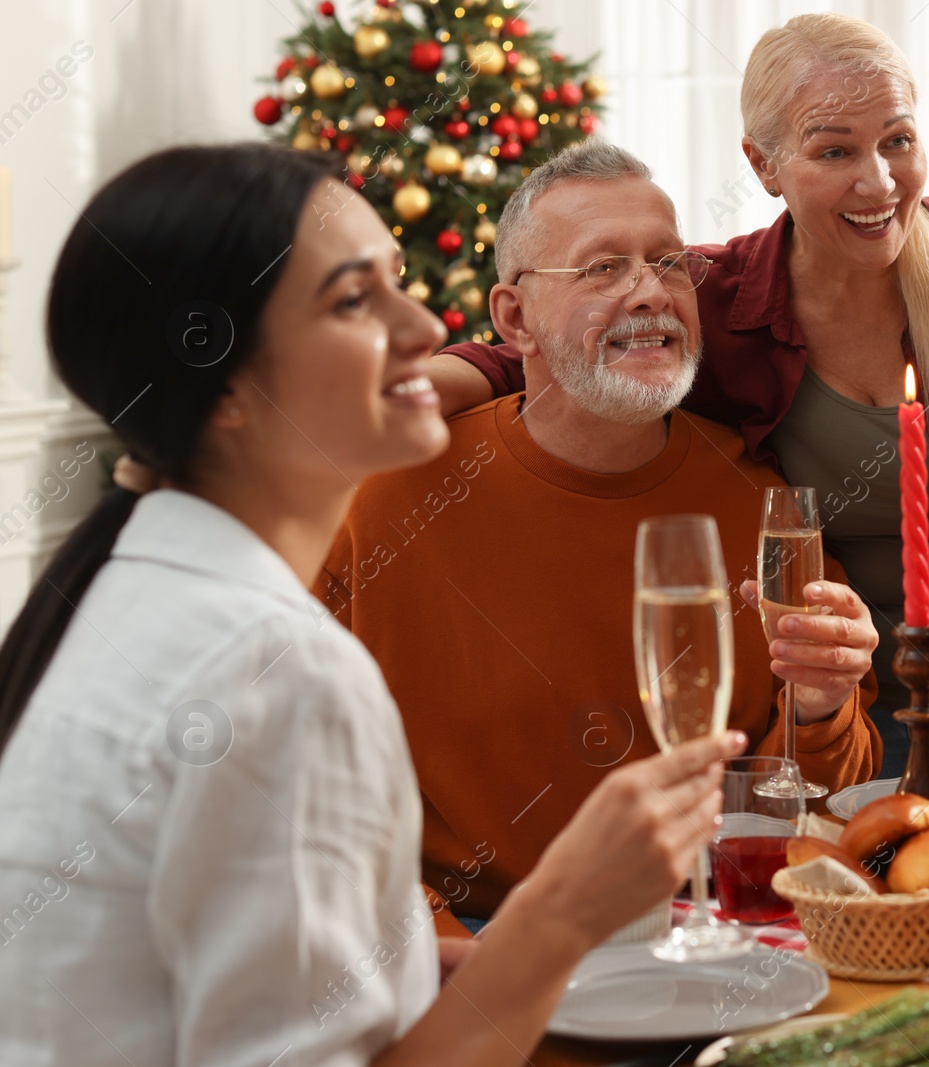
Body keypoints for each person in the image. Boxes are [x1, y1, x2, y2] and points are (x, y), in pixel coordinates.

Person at [0, 143, 740, 1066]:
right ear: (226, 384)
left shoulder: (138, 592)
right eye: (355, 300)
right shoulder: (280, 674)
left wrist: (524, 959)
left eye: (398, 282)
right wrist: (566, 908)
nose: (428, 325)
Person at [426, 13, 929, 791]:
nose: (878, 181)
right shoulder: (720, 298)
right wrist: (430, 383)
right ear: (763, 165)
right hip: (843, 705)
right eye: (834, 149)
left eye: (897, 139)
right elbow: (558, 345)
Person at [319, 140, 881, 938]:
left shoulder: (764, 503)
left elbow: (812, 813)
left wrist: (822, 703)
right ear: (515, 318)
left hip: (700, 938)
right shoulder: (387, 497)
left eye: (668, 261)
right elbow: (312, 800)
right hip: (471, 942)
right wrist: (454, 970)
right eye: (602, 269)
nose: (650, 292)